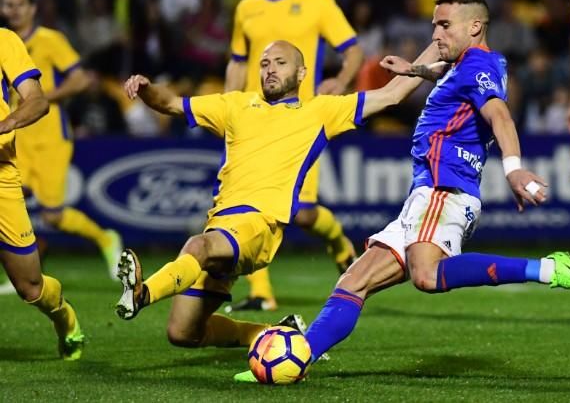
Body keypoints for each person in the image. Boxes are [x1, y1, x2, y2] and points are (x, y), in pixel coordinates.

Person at [233, 0, 570, 383]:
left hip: (444, 191)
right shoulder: (470, 65)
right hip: (425, 196)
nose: (436, 35)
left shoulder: (478, 67)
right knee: (354, 281)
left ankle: (547, 268)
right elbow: (453, 75)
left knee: (426, 275)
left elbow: (501, 117)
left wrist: (513, 168)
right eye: (434, 25)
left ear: (475, 26)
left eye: (444, 26)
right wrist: (417, 70)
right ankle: (299, 358)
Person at [114, 39, 440, 355]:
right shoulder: (235, 105)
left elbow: (392, 94)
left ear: (301, 74)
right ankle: (273, 334)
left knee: (196, 246)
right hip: (221, 224)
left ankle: (142, 294)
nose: (270, 69)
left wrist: (436, 47)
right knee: (183, 333)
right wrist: (146, 89)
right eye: (265, 64)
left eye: (280, 63)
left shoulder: (319, 111)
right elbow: (171, 103)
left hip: (260, 226)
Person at [225, 0, 365, 311]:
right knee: (249, 204)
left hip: (299, 119)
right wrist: (228, 104)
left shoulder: (319, 2)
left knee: (301, 212)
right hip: (253, 119)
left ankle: (338, 243)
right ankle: (260, 292)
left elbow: (352, 50)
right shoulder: (246, 7)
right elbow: (238, 62)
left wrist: (341, 80)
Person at [0, 0, 123, 293]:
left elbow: (81, 78)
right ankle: (23, 275)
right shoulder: (6, 43)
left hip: (50, 135)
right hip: (16, 138)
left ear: (32, 9)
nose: (14, 10)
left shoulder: (50, 40)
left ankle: (105, 238)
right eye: (8, 4)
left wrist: (44, 97)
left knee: (52, 215)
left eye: (20, 4)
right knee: (14, 205)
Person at [0, 27, 84, 360]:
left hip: (1, 172)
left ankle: (65, 316)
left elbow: (37, 100)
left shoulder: (5, 40)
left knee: (30, 286)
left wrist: (7, 123)